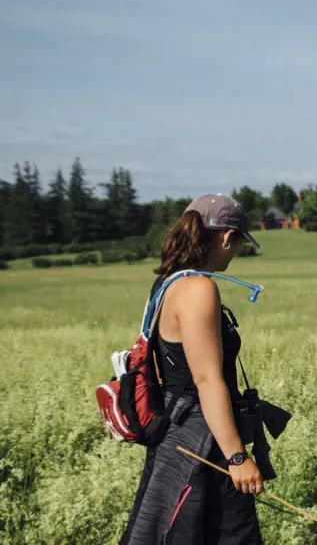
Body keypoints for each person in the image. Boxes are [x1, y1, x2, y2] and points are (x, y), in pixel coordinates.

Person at [121, 194, 282, 544]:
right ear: (226, 237)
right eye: (239, 242)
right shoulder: (198, 289)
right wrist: (237, 457)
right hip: (204, 441)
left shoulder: (166, 284)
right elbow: (207, 380)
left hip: (175, 437)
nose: (236, 250)